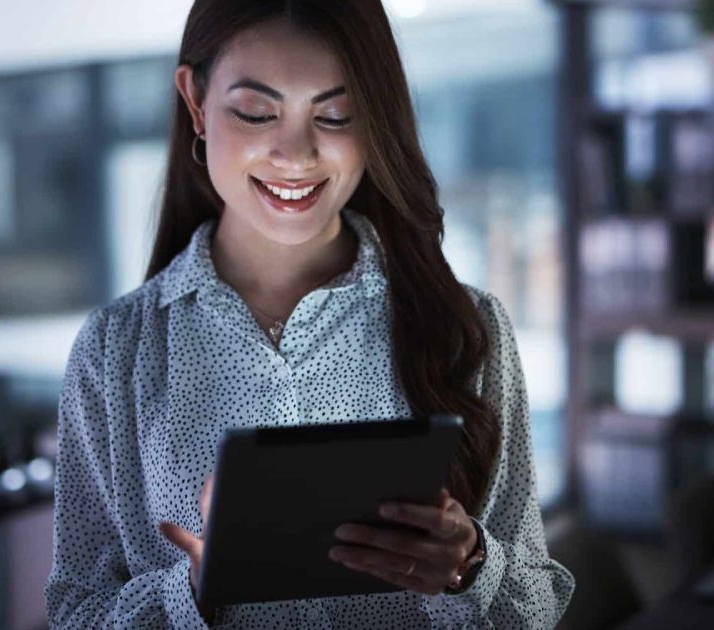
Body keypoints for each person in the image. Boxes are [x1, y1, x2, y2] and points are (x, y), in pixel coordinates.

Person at [44, 0, 575, 627]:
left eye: (335, 114)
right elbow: (75, 611)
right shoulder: (115, 353)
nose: (295, 155)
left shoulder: (468, 330)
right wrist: (193, 593)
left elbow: (538, 602)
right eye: (256, 112)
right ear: (196, 104)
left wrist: (470, 567)